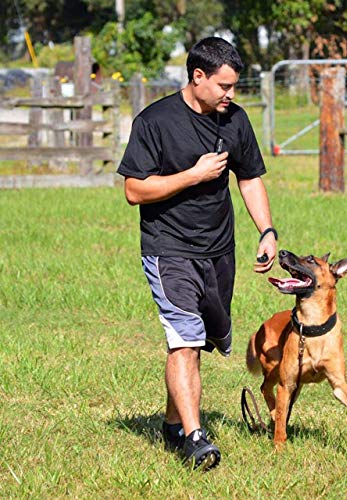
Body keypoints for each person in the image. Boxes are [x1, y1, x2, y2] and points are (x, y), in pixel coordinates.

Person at [117, 37, 277, 471]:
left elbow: (249, 178)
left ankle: (172, 422)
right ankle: (194, 438)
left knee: (203, 341)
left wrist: (266, 230)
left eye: (235, 86)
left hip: (219, 251)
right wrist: (192, 175)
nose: (230, 94)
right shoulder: (155, 121)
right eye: (223, 85)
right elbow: (134, 190)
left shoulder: (235, 121)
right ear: (198, 76)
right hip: (168, 249)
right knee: (183, 338)